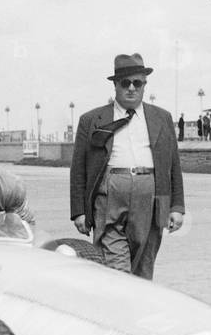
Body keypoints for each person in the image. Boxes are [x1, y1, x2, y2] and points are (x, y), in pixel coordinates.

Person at [69, 52, 185, 280]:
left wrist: (177, 207)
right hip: (109, 200)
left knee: (143, 271)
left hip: (151, 201)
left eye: (137, 83)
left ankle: (136, 312)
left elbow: (172, 164)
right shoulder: (92, 120)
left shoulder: (161, 118)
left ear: (144, 85)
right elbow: (78, 169)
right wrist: (79, 211)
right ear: (115, 86)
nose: (131, 88)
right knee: (117, 271)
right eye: (125, 83)